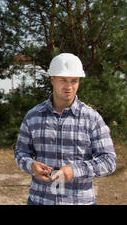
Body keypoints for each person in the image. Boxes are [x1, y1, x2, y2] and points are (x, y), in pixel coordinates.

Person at [14, 53, 117, 205]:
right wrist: (31, 165)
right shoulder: (33, 116)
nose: (69, 86)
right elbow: (20, 152)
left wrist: (76, 170)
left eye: (74, 81)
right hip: (40, 200)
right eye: (63, 80)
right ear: (52, 79)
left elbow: (109, 161)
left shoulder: (92, 118)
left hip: (80, 201)